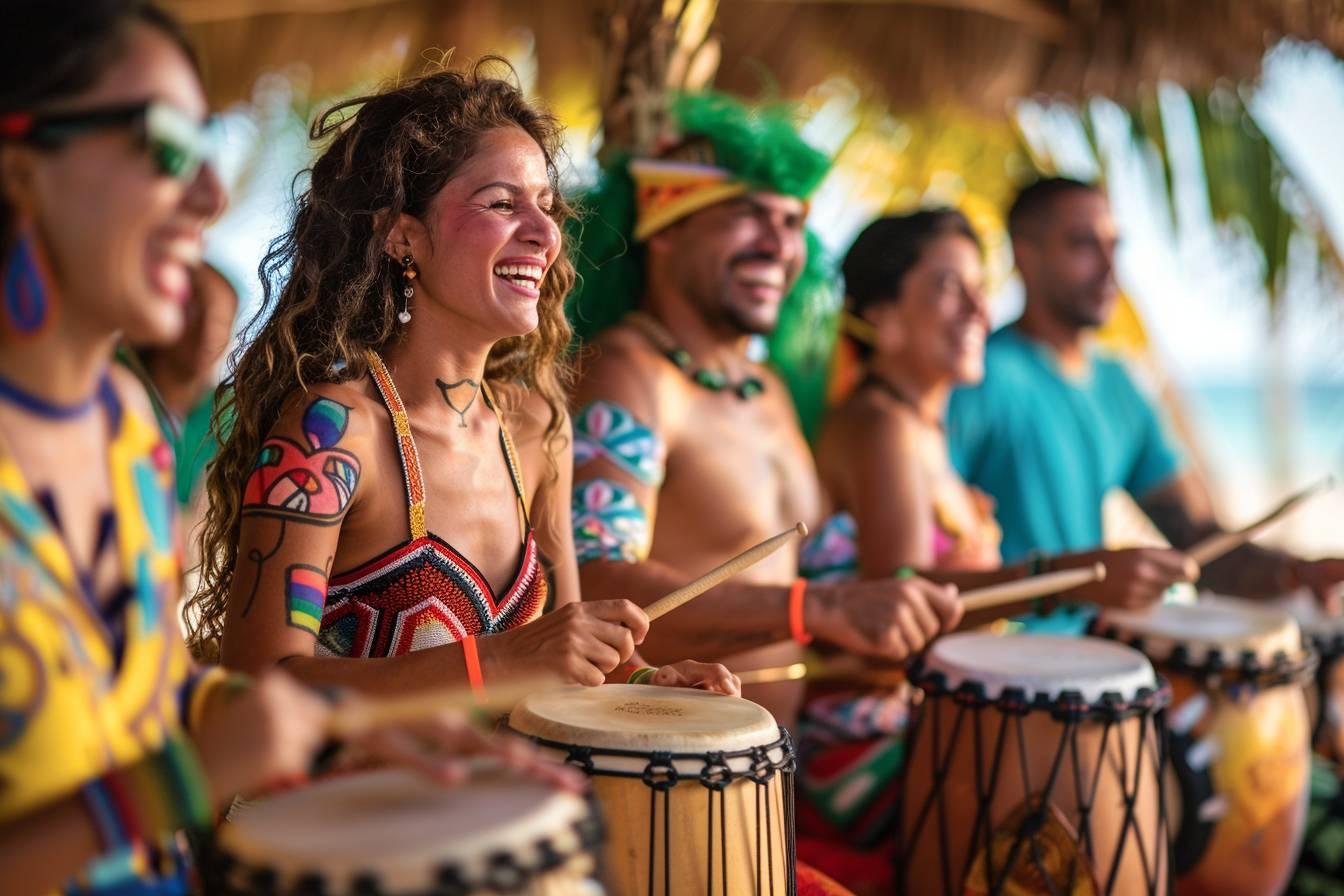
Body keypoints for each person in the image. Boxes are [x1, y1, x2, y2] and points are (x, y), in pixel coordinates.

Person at [0, 6, 568, 896]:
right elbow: (228, 707)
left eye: (206, 150)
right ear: (20, 167)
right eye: (163, 144)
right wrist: (186, 781)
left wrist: (339, 715)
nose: (210, 195)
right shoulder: (332, 428)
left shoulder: (122, 426)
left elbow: (149, 695)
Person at [189, 61, 736, 698]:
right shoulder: (330, 434)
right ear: (403, 237)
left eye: (546, 207)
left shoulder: (538, 430)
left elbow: (572, 663)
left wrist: (647, 681)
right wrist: (497, 661)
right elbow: (257, 684)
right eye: (502, 203)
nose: (544, 233)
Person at [794, 208, 1201, 889]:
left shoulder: (919, 427)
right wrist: (1077, 577)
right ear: (882, 317)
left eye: (980, 288)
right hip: (861, 741)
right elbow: (899, 612)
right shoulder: (882, 425)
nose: (980, 309)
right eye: (949, 288)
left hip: (923, 718)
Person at [567, 91, 963, 730]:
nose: (780, 245)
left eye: (792, 220)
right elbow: (594, 583)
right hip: (670, 761)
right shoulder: (630, 374)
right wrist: (816, 608)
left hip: (778, 757)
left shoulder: (768, 388)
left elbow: (817, 575)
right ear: (666, 228)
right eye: (749, 214)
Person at [946, 177, 1344, 633]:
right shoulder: (977, 378)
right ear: (1026, 254)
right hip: (990, 660)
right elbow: (919, 569)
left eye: (1114, 246)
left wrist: (1295, 572)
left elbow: (1197, 541)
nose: (1109, 267)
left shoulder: (1119, 385)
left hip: (1095, 651)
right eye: (1083, 245)